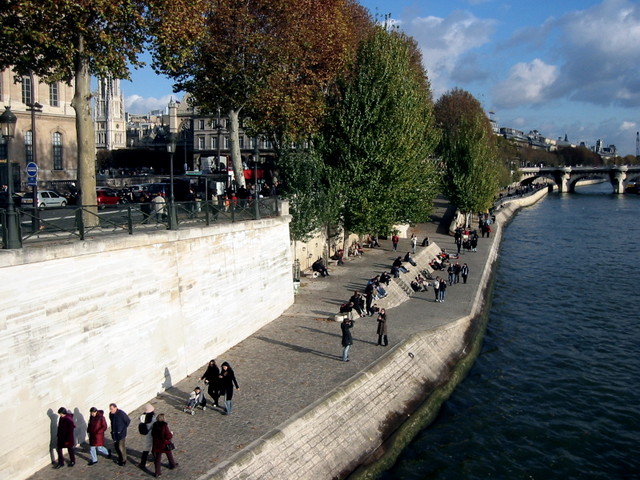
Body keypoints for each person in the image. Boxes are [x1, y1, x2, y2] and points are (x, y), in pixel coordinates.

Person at [138, 403, 156, 470]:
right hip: (151, 434)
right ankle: (144, 462)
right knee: (152, 447)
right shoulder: (153, 418)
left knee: (146, 449)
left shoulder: (142, 417)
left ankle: (143, 462)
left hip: (145, 435)